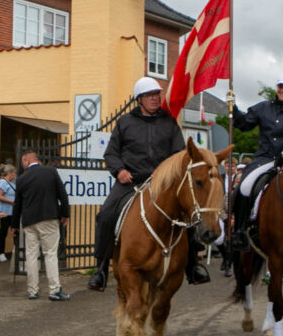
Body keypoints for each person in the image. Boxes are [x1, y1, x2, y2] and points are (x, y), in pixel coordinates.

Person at [88, 77, 207, 291]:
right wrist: (119, 171)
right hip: (130, 181)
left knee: (188, 215)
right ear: (139, 99)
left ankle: (193, 265)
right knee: (105, 214)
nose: (155, 98)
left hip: (162, 183)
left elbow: (180, 153)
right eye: (150, 95)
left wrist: (164, 172)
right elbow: (111, 153)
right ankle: (101, 268)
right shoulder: (125, 122)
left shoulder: (168, 121)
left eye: (157, 94)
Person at [229, 73, 283, 252]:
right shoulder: (263, 107)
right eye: (280, 87)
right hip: (264, 158)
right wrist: (233, 108)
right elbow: (244, 124)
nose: (282, 90)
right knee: (244, 186)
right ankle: (240, 231)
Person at [12, 150, 70, 301]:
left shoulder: (21, 179)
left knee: (31, 255)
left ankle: (32, 290)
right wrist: (65, 214)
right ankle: (54, 289)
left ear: (26, 161)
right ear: (37, 160)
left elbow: (17, 204)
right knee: (50, 254)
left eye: (22, 162)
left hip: (30, 221)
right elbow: (62, 194)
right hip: (49, 217)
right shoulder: (51, 172)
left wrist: (14, 225)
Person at [0, 164, 16, 262]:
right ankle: (1, 253)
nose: (15, 175)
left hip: (12, 212)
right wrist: (12, 202)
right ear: (9, 173)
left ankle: (15, 251)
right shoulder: (2, 182)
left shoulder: (12, 183)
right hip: (5, 212)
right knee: (3, 232)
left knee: (15, 232)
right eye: (14, 173)